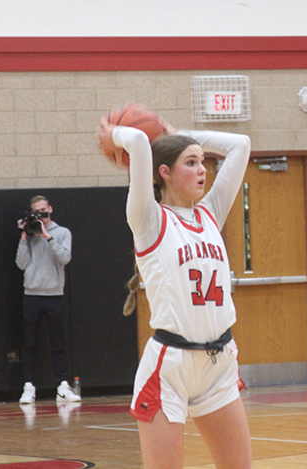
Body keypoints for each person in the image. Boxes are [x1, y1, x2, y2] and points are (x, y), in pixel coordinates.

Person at [97, 113, 252, 469]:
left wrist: (179, 135)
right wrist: (114, 133)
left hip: (220, 361)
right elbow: (136, 142)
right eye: (191, 163)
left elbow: (240, 145)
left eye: (203, 162)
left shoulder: (211, 213)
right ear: (164, 172)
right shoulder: (149, 219)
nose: (203, 170)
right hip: (171, 365)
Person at [15, 195, 80, 404]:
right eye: (37, 212)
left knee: (58, 343)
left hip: (54, 295)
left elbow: (65, 258)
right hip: (32, 295)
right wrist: (25, 235)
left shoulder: (62, 233)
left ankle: (62, 385)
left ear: (50, 209)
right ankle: (28, 387)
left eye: (44, 211)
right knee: (29, 344)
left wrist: (47, 237)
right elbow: (21, 264)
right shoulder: (30, 234)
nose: (41, 215)